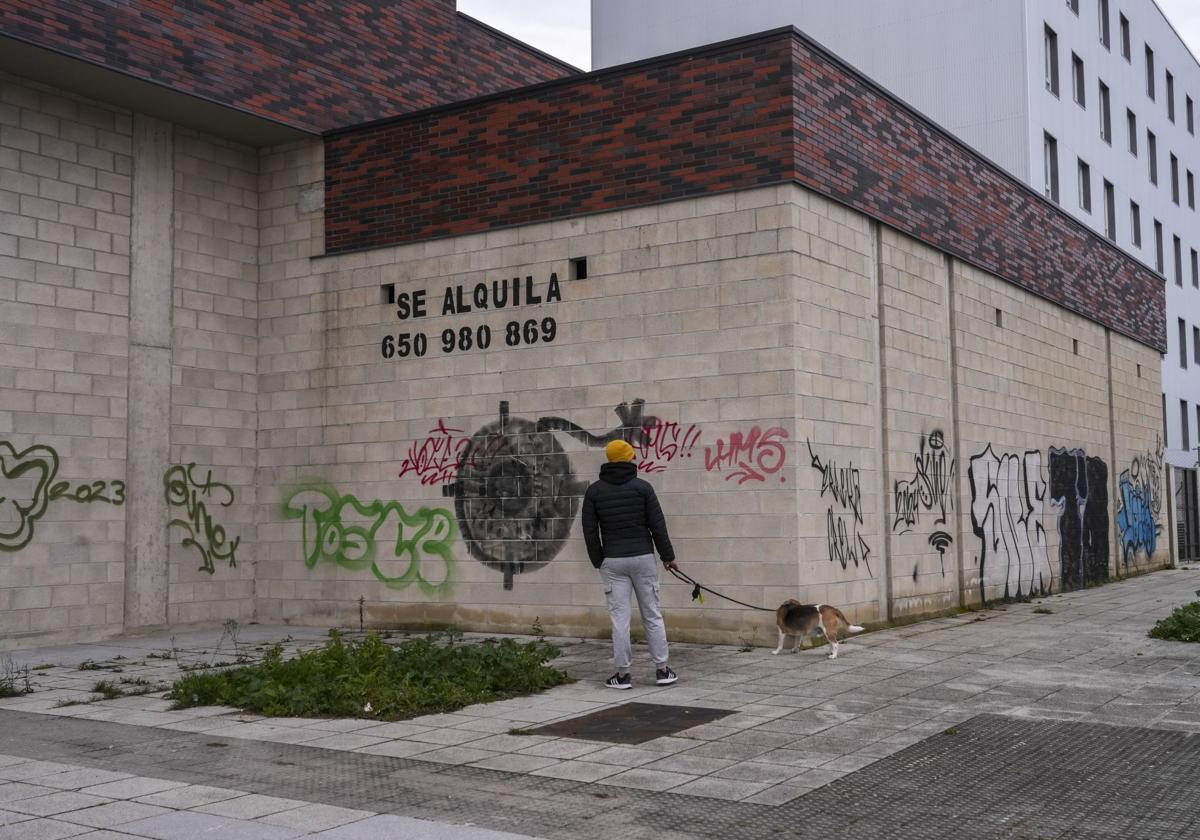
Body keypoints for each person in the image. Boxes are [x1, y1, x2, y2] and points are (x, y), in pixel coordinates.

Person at [581, 439, 678, 689]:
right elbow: (658, 525)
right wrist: (667, 557)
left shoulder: (594, 492)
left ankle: (622, 675)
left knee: (619, 618)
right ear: (630, 458)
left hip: (613, 561)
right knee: (652, 614)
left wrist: (599, 561)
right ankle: (663, 670)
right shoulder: (643, 488)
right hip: (643, 558)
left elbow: (590, 531)